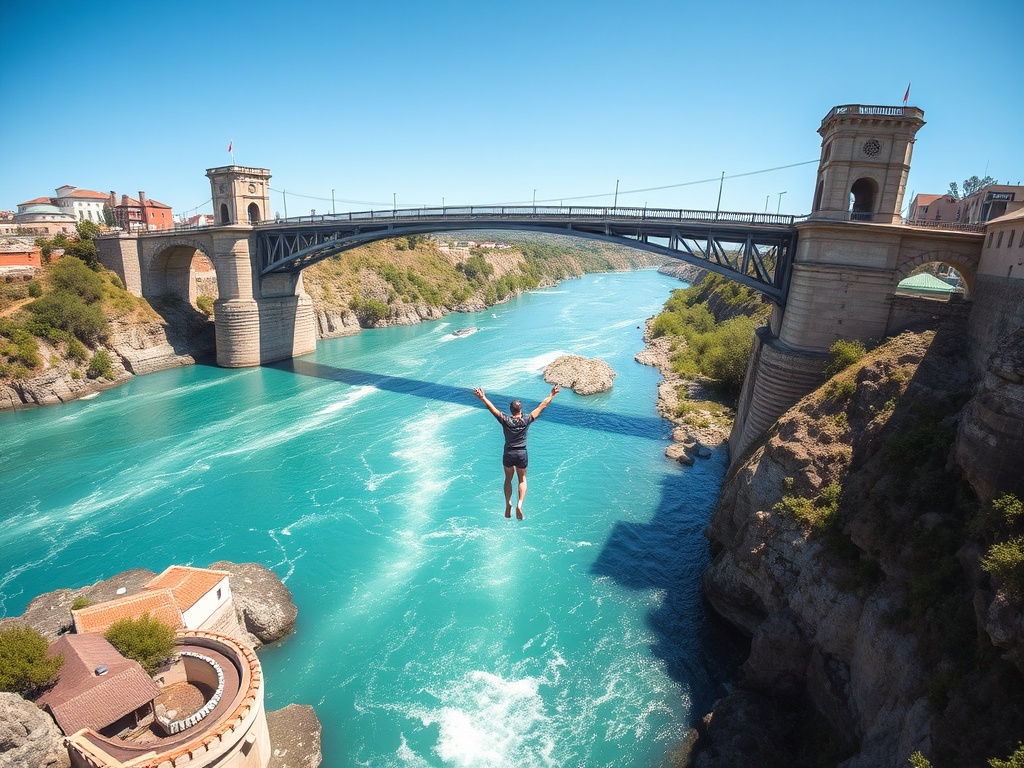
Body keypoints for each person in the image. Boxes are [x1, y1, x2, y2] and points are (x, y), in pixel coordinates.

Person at [472, 384, 559, 519]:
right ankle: (519, 504)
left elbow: (492, 408)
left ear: (510, 410)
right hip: (522, 453)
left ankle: (508, 503)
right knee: (522, 479)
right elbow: (542, 406)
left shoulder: (505, 420)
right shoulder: (527, 419)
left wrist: (483, 397)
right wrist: (552, 394)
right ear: (521, 409)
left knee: (508, 479)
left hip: (509, 453)